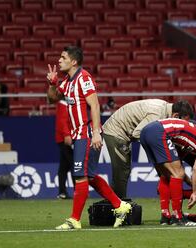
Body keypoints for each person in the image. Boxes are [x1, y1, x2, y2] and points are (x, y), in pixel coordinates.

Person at [46, 46, 131, 230]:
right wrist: (52, 83)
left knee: (80, 176)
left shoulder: (83, 78)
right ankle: (120, 206)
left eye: (63, 57)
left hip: (86, 134)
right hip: (78, 135)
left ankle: (74, 219)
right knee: (90, 176)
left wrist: (96, 132)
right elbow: (52, 99)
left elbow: (95, 105)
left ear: (74, 61)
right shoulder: (67, 82)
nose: (59, 60)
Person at [102, 99, 194, 198]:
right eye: (182, 122)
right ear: (176, 116)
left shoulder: (164, 109)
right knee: (122, 170)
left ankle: (114, 202)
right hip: (116, 132)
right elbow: (138, 133)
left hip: (122, 132)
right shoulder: (157, 114)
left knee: (123, 170)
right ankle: (118, 205)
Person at [140, 118, 196, 225]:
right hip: (159, 131)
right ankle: (178, 217)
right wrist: (195, 192)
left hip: (146, 131)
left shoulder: (190, 141)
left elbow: (177, 167)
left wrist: (191, 183)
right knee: (177, 173)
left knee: (166, 175)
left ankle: (165, 216)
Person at [55, 100, 74, 199]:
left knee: (64, 167)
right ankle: (78, 192)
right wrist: (67, 135)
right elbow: (63, 121)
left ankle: (62, 192)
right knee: (74, 165)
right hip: (66, 138)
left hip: (65, 138)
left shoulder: (65, 103)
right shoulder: (63, 103)